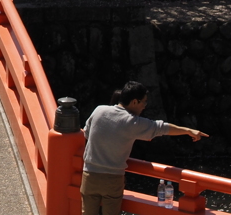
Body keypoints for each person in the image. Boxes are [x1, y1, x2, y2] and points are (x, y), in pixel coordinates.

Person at [81, 81, 207, 215]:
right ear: (134, 102)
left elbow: (87, 133)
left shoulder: (99, 110)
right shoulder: (132, 122)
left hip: (89, 176)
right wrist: (188, 130)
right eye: (144, 102)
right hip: (112, 179)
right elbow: (161, 128)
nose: (144, 107)